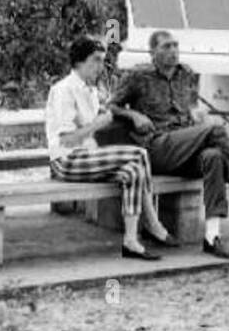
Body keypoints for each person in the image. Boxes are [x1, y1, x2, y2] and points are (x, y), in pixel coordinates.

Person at [112, 30, 229, 260]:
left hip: (185, 145)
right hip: (157, 148)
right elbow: (111, 106)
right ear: (152, 52)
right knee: (216, 130)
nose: (173, 51)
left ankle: (211, 237)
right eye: (166, 47)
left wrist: (196, 115)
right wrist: (134, 115)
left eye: (175, 46)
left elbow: (192, 105)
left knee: (213, 157)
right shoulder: (138, 76)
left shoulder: (186, 74)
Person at [45, 36, 179, 261]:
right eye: (95, 60)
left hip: (89, 156)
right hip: (66, 161)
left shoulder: (91, 91)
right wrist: (97, 124)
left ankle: (131, 241)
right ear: (79, 62)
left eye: (102, 60)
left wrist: (117, 115)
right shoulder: (63, 90)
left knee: (133, 171)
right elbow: (66, 140)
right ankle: (154, 224)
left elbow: (103, 119)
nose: (100, 66)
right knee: (139, 154)